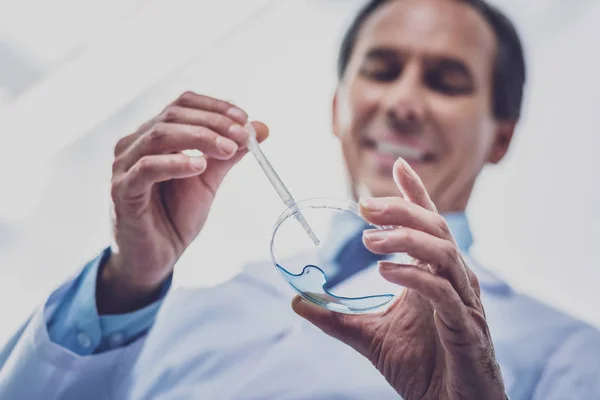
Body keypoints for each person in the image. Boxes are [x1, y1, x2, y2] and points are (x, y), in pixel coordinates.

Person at [1, 0, 599, 398]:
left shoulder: (573, 355)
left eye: (446, 81)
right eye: (382, 69)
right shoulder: (165, 313)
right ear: (337, 109)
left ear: (501, 134)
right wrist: (129, 280)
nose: (403, 102)